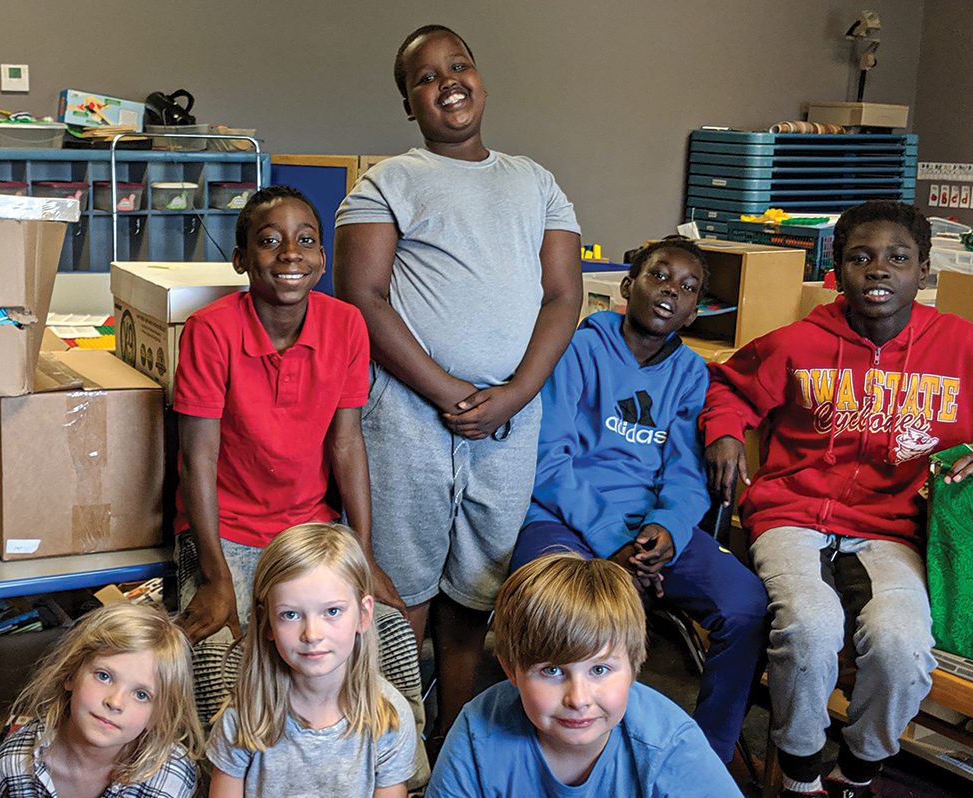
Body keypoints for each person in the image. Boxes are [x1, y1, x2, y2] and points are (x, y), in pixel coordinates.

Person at [702, 200, 973, 798]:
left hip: (893, 527)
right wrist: (726, 432)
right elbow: (730, 384)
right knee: (808, 625)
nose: (879, 271)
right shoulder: (798, 341)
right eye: (861, 258)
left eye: (898, 259)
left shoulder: (965, 348)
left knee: (902, 642)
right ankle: (800, 773)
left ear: (923, 272)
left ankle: (857, 770)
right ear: (837, 269)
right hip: (791, 515)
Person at [334, 23, 583, 736]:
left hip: (509, 418)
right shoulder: (390, 181)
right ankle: (390, 742)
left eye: (459, 65)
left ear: (480, 78)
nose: (446, 80)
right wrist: (447, 392)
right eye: (424, 75)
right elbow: (363, 299)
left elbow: (563, 296)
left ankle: (455, 736)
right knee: (400, 589)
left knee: (476, 592)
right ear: (408, 104)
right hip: (410, 414)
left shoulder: (535, 182)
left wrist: (515, 393)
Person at [512, 237, 767, 765]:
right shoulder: (574, 349)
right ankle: (549, 752)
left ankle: (707, 758)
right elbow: (548, 461)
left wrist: (668, 528)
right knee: (560, 607)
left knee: (745, 605)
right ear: (629, 287)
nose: (670, 292)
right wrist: (615, 542)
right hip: (561, 516)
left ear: (698, 310)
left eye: (688, 287)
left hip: (649, 528)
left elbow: (684, 470)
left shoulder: (693, 373)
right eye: (659, 276)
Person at [173, 185, 397, 644]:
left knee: (383, 640)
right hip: (226, 532)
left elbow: (347, 443)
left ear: (322, 258)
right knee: (218, 654)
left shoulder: (347, 324)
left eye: (307, 240)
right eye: (270, 241)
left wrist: (364, 554)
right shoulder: (209, 330)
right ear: (241, 259)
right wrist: (217, 578)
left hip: (312, 528)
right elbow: (198, 459)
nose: (291, 254)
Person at [427, 553, 740, 796]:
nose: (578, 698)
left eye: (599, 669)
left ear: (634, 665)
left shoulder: (669, 744)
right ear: (511, 669)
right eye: (551, 670)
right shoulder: (477, 733)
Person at [206, 523, 416, 797]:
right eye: (290, 615)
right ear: (266, 622)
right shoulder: (244, 718)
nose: (312, 634)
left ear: (363, 615)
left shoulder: (390, 718)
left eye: (332, 611)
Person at [0, 603, 202, 798]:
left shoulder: (171, 781)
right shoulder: (13, 766)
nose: (115, 702)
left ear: (158, 715)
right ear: (70, 674)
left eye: (141, 695)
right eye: (104, 676)